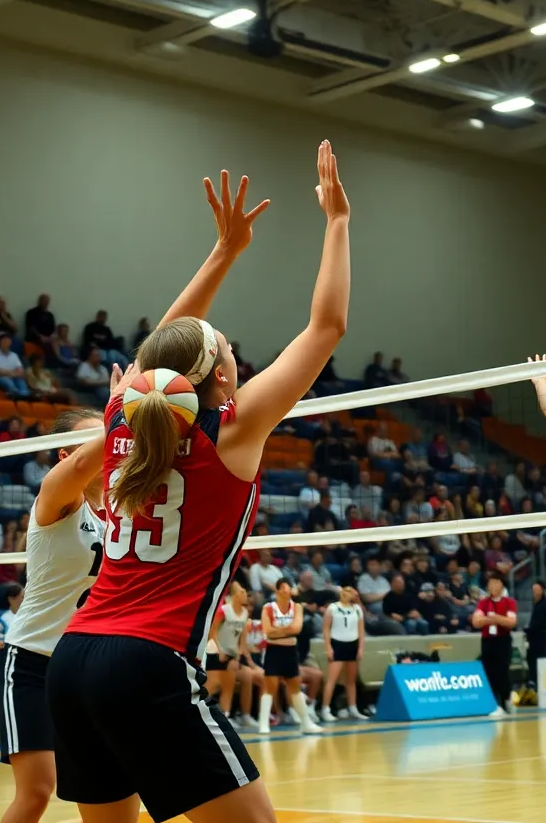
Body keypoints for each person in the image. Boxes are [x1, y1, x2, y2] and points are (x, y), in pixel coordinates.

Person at [47, 148, 349, 823]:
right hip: (147, 663)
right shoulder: (229, 432)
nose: (236, 354)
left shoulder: (123, 415)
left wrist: (224, 252)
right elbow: (326, 328)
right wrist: (337, 221)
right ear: (219, 376)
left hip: (74, 659)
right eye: (228, 348)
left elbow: (160, 345)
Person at [0, 406, 108, 823]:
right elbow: (85, 463)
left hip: (84, 668)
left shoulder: (120, 510)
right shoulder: (59, 497)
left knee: (101, 787)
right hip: (32, 661)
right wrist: (121, 409)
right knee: (37, 793)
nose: (107, 444)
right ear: (64, 455)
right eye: (94, 437)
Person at [260, 578, 321, 734]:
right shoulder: (268, 607)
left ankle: (306, 723)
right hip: (273, 650)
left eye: (290, 588)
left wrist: (278, 631)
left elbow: (297, 629)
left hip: (291, 651)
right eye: (286, 588)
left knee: (295, 687)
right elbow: (267, 631)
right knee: (269, 687)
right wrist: (286, 630)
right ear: (279, 590)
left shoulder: (297, 607)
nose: (289, 591)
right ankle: (263, 725)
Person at [471, 572, 517, 717]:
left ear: (502, 585)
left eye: (496, 583)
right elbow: (476, 621)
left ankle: (506, 700)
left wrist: (495, 618)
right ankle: (495, 704)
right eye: (490, 583)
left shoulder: (509, 602)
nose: (493, 586)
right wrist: (491, 620)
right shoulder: (483, 603)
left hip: (503, 640)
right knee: (489, 672)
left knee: (503, 671)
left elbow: (511, 622)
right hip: (487, 640)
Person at [205, 581, 251, 723]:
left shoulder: (245, 613)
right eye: (242, 592)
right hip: (215, 651)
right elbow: (211, 633)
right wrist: (219, 651)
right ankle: (191, 708)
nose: (245, 595)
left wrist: (237, 657)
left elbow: (241, 640)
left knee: (228, 685)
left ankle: (225, 716)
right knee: (214, 684)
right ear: (235, 595)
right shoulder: (223, 610)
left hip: (231, 653)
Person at [320, 585, 366, 722]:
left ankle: (353, 708)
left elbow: (361, 631)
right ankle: (325, 709)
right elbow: (326, 629)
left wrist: (360, 648)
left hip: (352, 644)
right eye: (352, 593)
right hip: (337, 644)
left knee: (351, 680)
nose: (354, 596)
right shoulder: (333, 608)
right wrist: (328, 647)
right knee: (332, 680)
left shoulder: (357, 610)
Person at [524, 580, 546, 691]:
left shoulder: (544, 604)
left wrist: (528, 630)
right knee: (531, 661)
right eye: (533, 589)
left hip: (540, 639)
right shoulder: (535, 602)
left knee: (539, 663)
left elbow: (540, 623)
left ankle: (538, 685)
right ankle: (532, 682)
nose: (535, 592)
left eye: (537, 589)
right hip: (532, 639)